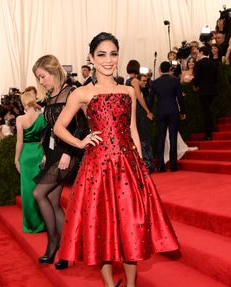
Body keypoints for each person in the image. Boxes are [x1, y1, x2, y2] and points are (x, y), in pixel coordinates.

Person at [54, 32, 179, 287]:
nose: (108, 60)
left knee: (131, 225)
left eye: (113, 54)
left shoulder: (128, 91)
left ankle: (131, 285)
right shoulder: (81, 93)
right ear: (91, 57)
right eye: (101, 54)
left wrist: (141, 163)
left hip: (127, 167)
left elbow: (132, 128)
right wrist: (81, 141)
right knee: (101, 228)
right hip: (97, 169)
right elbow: (59, 127)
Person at [32, 55, 88, 269]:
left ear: (53, 71)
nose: (41, 81)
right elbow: (51, 130)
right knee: (53, 202)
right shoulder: (51, 95)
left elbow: (82, 125)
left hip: (71, 153)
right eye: (38, 78)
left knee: (39, 193)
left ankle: (55, 241)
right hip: (55, 154)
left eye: (42, 76)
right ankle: (65, 249)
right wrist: (47, 153)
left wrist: (68, 152)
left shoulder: (71, 92)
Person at [14, 91, 46, 233]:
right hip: (38, 152)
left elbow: (19, 142)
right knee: (39, 188)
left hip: (26, 154)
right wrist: (44, 154)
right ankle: (42, 222)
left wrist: (16, 158)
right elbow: (44, 139)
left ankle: (31, 225)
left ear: (23, 103)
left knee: (27, 191)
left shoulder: (20, 119)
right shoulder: (42, 118)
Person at [151, 61, 186, 172]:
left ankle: (160, 166)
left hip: (160, 112)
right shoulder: (175, 81)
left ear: (160, 70)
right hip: (173, 111)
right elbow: (180, 98)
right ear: (170, 69)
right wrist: (183, 111)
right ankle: (173, 165)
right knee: (173, 137)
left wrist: (149, 111)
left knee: (161, 138)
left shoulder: (155, 83)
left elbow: (151, 100)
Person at [126, 60, 155, 173]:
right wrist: (147, 111)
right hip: (137, 110)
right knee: (143, 136)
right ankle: (147, 165)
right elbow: (139, 97)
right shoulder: (134, 81)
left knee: (136, 136)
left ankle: (138, 164)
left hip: (130, 110)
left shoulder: (127, 80)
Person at [194, 46, 218, 140]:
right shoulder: (213, 63)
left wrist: (195, 86)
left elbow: (197, 77)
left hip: (203, 91)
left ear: (201, 52)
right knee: (208, 109)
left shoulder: (199, 63)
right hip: (212, 90)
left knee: (205, 112)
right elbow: (216, 78)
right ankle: (212, 127)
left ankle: (208, 134)